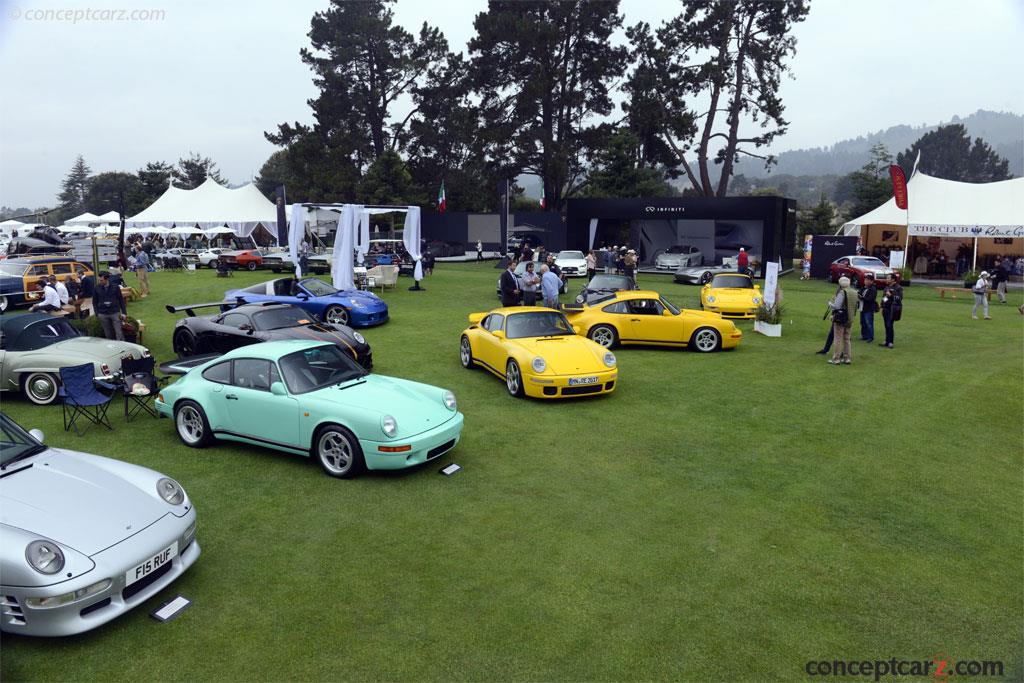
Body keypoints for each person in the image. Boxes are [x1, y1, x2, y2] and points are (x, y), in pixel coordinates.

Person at [827, 276, 855, 365]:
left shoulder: (842, 293)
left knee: (838, 339)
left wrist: (830, 303)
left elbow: (837, 306)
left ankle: (836, 359)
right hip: (850, 318)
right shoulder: (854, 292)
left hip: (841, 318)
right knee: (847, 339)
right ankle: (847, 358)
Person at [93, 271, 127, 340]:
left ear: (106, 279)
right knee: (108, 334)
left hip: (114, 312)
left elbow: (121, 300)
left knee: (119, 332)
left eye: (101, 280)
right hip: (103, 313)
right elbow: (94, 302)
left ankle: (121, 346)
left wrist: (124, 313)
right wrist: (97, 313)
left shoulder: (115, 287)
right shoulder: (96, 288)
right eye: (99, 280)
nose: (100, 282)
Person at [879, 277, 903, 348]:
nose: (886, 279)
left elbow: (899, 298)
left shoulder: (898, 288)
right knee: (886, 325)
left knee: (889, 325)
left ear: (893, 279)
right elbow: (885, 297)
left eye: (888, 278)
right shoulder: (887, 287)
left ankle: (890, 342)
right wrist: (882, 305)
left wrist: (891, 295)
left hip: (892, 309)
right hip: (885, 309)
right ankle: (886, 341)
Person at [858, 273, 877, 342]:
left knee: (869, 323)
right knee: (862, 322)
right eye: (865, 280)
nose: (865, 281)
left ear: (872, 281)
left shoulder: (873, 289)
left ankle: (870, 337)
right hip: (862, 307)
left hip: (868, 308)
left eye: (867, 280)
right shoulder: (863, 288)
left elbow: (870, 299)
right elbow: (859, 293)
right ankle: (864, 335)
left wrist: (862, 298)